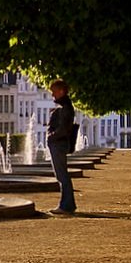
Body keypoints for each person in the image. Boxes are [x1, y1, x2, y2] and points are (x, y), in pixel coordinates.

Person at [47, 79, 76, 215]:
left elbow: (63, 129)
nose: (53, 95)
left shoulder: (65, 107)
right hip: (59, 142)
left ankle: (66, 206)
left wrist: (51, 137)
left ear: (61, 91)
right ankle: (67, 204)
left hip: (58, 143)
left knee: (62, 175)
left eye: (54, 92)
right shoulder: (65, 106)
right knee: (62, 175)